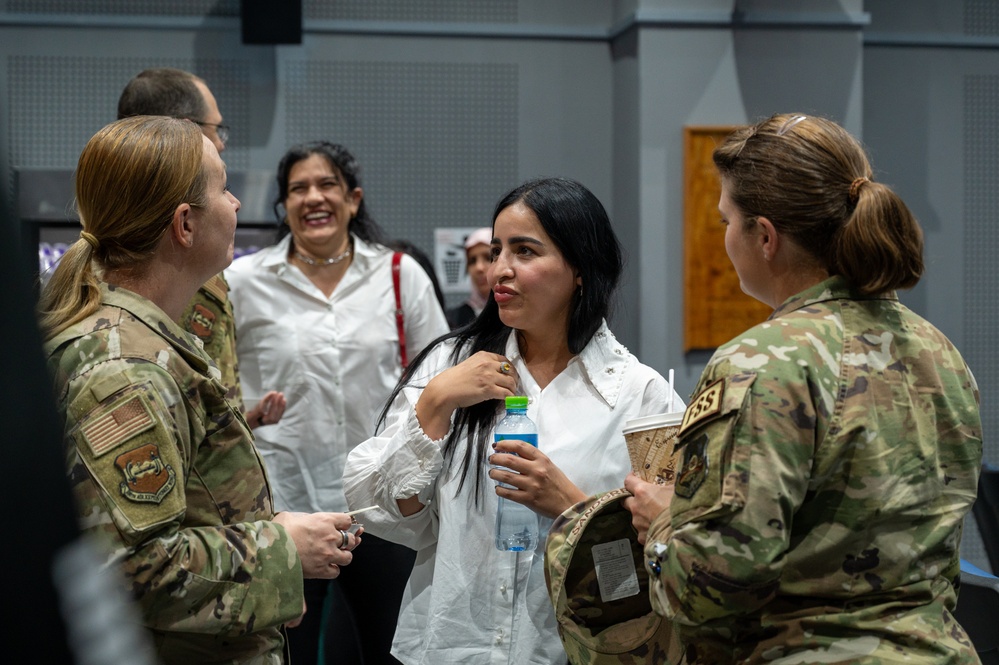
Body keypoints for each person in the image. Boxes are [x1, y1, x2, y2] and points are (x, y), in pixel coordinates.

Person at [624, 113, 983, 664]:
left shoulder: (760, 362)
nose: (723, 237)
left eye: (726, 220)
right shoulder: (939, 350)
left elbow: (713, 586)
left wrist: (664, 523)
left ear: (764, 236)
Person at [38, 116, 361, 664]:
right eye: (223, 187)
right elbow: (132, 570)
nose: (236, 204)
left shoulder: (139, 340)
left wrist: (269, 540)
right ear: (184, 224)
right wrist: (283, 551)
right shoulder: (128, 370)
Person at [343, 176, 685, 664]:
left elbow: (658, 566)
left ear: (581, 269)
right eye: (498, 249)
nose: (499, 270)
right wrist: (435, 403)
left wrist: (573, 508)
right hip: (451, 647)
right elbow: (386, 514)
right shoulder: (449, 365)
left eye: (525, 252)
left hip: (563, 651)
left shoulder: (641, 396)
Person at [225, 141, 449, 665]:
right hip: (285, 505)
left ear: (353, 199)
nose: (313, 198)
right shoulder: (243, 281)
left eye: (327, 185)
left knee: (390, 650)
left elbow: (439, 378)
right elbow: (214, 384)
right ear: (283, 207)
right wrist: (250, 411)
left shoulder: (399, 275)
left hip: (384, 506)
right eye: (298, 189)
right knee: (287, 653)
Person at [117, 67, 286, 429]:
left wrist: (239, 422)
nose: (222, 143)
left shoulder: (128, 239)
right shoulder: (173, 259)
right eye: (216, 129)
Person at [446, 226, 491, 329]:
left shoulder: (517, 317)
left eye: (488, 258)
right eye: (472, 261)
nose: (479, 268)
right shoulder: (453, 319)